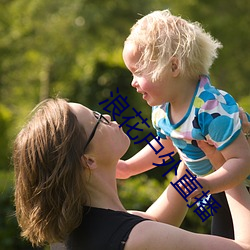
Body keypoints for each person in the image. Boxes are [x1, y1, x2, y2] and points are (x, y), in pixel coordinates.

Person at [13, 98, 250, 250]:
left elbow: (154, 221)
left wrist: (192, 144)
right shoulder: (138, 238)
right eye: (97, 120)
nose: (106, 116)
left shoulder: (73, 234)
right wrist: (228, 166)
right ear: (88, 160)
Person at [120, 9, 250, 239]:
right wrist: (130, 167)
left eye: (138, 72)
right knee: (164, 225)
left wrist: (208, 183)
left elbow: (242, 160)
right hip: (215, 185)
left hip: (239, 186)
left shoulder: (210, 109)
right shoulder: (162, 109)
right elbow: (167, 144)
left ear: (173, 67)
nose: (133, 82)